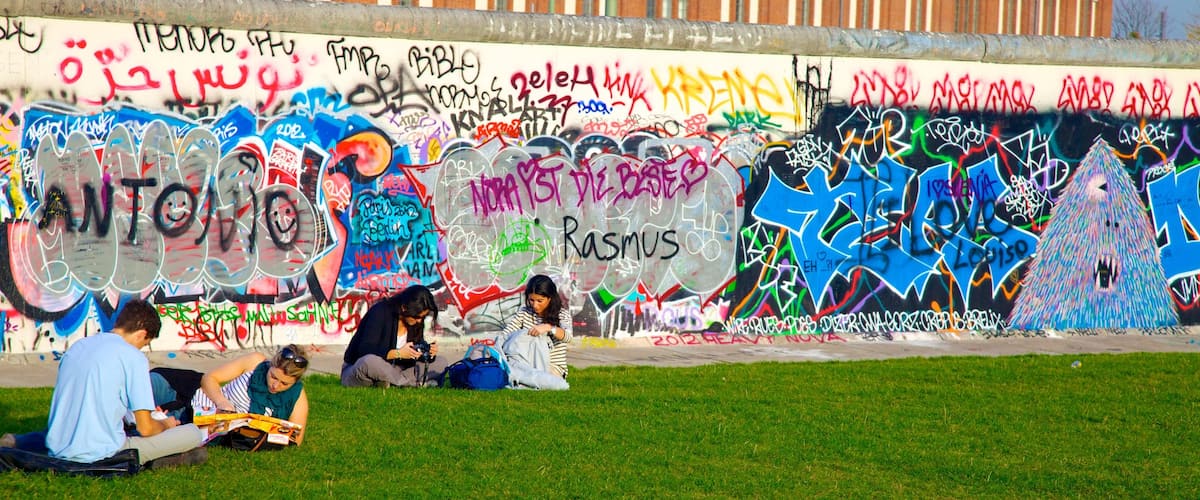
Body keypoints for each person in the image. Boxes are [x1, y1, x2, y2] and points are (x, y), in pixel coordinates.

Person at [0, 299, 207, 469]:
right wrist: (166, 424)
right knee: (192, 433)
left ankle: (18, 440)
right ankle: (162, 459)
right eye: (145, 344)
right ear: (142, 334)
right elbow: (146, 429)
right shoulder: (133, 357)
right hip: (103, 453)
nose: (142, 349)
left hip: (57, 447)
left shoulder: (77, 347)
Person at [150, 344, 311, 445]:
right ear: (271, 365)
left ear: (295, 381)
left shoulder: (297, 397)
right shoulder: (255, 362)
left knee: (146, 428)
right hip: (185, 392)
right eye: (273, 377)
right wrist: (222, 402)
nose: (275, 385)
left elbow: (295, 440)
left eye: (284, 384)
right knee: (145, 387)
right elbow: (209, 378)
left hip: (199, 424)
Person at [342, 285, 447, 388]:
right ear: (404, 308)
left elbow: (414, 356)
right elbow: (365, 350)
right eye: (416, 317)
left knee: (441, 362)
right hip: (362, 368)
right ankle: (412, 383)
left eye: (423, 317)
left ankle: (393, 382)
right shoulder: (380, 311)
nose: (419, 321)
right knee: (369, 361)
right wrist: (398, 353)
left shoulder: (416, 323)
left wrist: (427, 353)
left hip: (397, 370)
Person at [499, 274, 572, 390]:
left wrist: (549, 328)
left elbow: (568, 337)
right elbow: (506, 334)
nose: (535, 305)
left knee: (535, 380)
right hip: (526, 363)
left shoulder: (562, 314)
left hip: (552, 366)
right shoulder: (524, 313)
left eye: (540, 301)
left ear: (550, 298)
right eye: (531, 300)